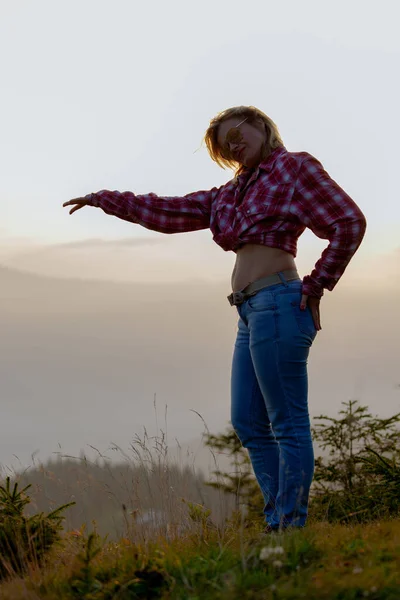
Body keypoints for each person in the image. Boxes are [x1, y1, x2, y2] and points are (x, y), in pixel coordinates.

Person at [63, 105, 367, 533]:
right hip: (249, 312)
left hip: (281, 303)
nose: (233, 144)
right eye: (225, 144)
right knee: (248, 421)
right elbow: (169, 211)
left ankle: (290, 525)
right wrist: (104, 200)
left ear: (261, 125)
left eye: (237, 133)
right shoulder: (229, 193)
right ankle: (278, 519)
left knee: (286, 421)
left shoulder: (294, 168)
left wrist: (317, 284)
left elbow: (349, 222)